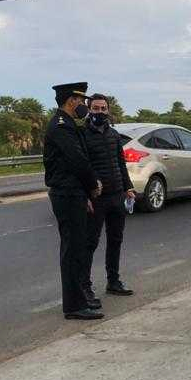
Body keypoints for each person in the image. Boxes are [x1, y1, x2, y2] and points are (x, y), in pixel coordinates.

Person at [44, 82, 103, 320]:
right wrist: (92, 187)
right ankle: (74, 305)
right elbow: (78, 161)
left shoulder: (68, 124)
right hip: (67, 194)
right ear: (71, 101)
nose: (83, 106)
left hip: (73, 193)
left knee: (77, 249)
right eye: (80, 101)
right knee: (72, 251)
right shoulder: (61, 127)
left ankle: (79, 300)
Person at [81, 94, 136, 304]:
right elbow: (82, 167)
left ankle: (114, 281)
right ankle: (85, 287)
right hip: (96, 199)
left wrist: (128, 188)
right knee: (90, 243)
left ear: (108, 110)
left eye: (103, 109)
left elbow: (120, 165)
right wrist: (86, 194)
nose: (100, 112)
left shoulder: (114, 135)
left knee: (116, 240)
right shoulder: (83, 135)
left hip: (117, 196)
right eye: (96, 108)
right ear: (89, 109)